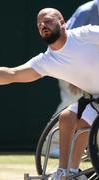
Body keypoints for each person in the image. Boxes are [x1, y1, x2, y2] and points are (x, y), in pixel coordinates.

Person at [0, 7, 99, 180]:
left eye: (48, 20)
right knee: (67, 117)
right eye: (39, 24)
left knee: (83, 122)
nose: (43, 25)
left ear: (62, 23)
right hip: (96, 98)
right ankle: (68, 172)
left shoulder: (87, 34)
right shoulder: (47, 60)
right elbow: (11, 74)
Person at [48, 0, 99, 158]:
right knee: (71, 104)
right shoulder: (87, 10)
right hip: (71, 67)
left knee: (93, 110)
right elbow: (65, 41)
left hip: (91, 69)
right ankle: (50, 146)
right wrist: (74, 76)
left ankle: (90, 148)